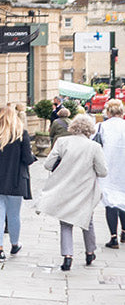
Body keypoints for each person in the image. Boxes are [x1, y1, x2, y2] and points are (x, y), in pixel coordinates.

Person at [35, 112, 108, 271]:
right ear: (90, 130)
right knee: (87, 221)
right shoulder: (94, 147)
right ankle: (90, 252)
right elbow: (103, 171)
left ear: (73, 127)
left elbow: (48, 164)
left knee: (65, 222)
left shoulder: (62, 142)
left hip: (65, 187)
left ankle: (67, 257)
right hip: (84, 189)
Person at [0, 104, 35, 261]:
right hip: (15, 179)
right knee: (14, 214)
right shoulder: (21, 134)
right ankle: (14, 244)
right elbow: (27, 159)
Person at [97, 98, 125, 247]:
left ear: (108, 112)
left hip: (107, 169)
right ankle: (124, 233)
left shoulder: (101, 127)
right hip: (123, 169)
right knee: (123, 200)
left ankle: (113, 236)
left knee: (110, 202)